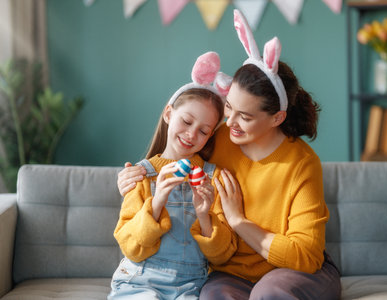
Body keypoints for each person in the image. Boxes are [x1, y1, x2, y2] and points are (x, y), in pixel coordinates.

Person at [117, 10, 341, 300]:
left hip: (297, 273)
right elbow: (173, 153)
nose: (231, 122)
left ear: (276, 118)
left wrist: (238, 222)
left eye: (245, 116)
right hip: (233, 274)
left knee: (269, 293)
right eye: (229, 108)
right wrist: (130, 177)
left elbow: (306, 256)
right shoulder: (218, 137)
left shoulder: (301, 163)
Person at [108, 51, 234, 300]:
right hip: (138, 281)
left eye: (203, 131)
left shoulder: (214, 178)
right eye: (186, 121)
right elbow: (130, 248)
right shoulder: (141, 175)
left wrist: (203, 215)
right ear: (168, 114)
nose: (191, 134)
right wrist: (157, 202)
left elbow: (222, 255)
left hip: (190, 285)